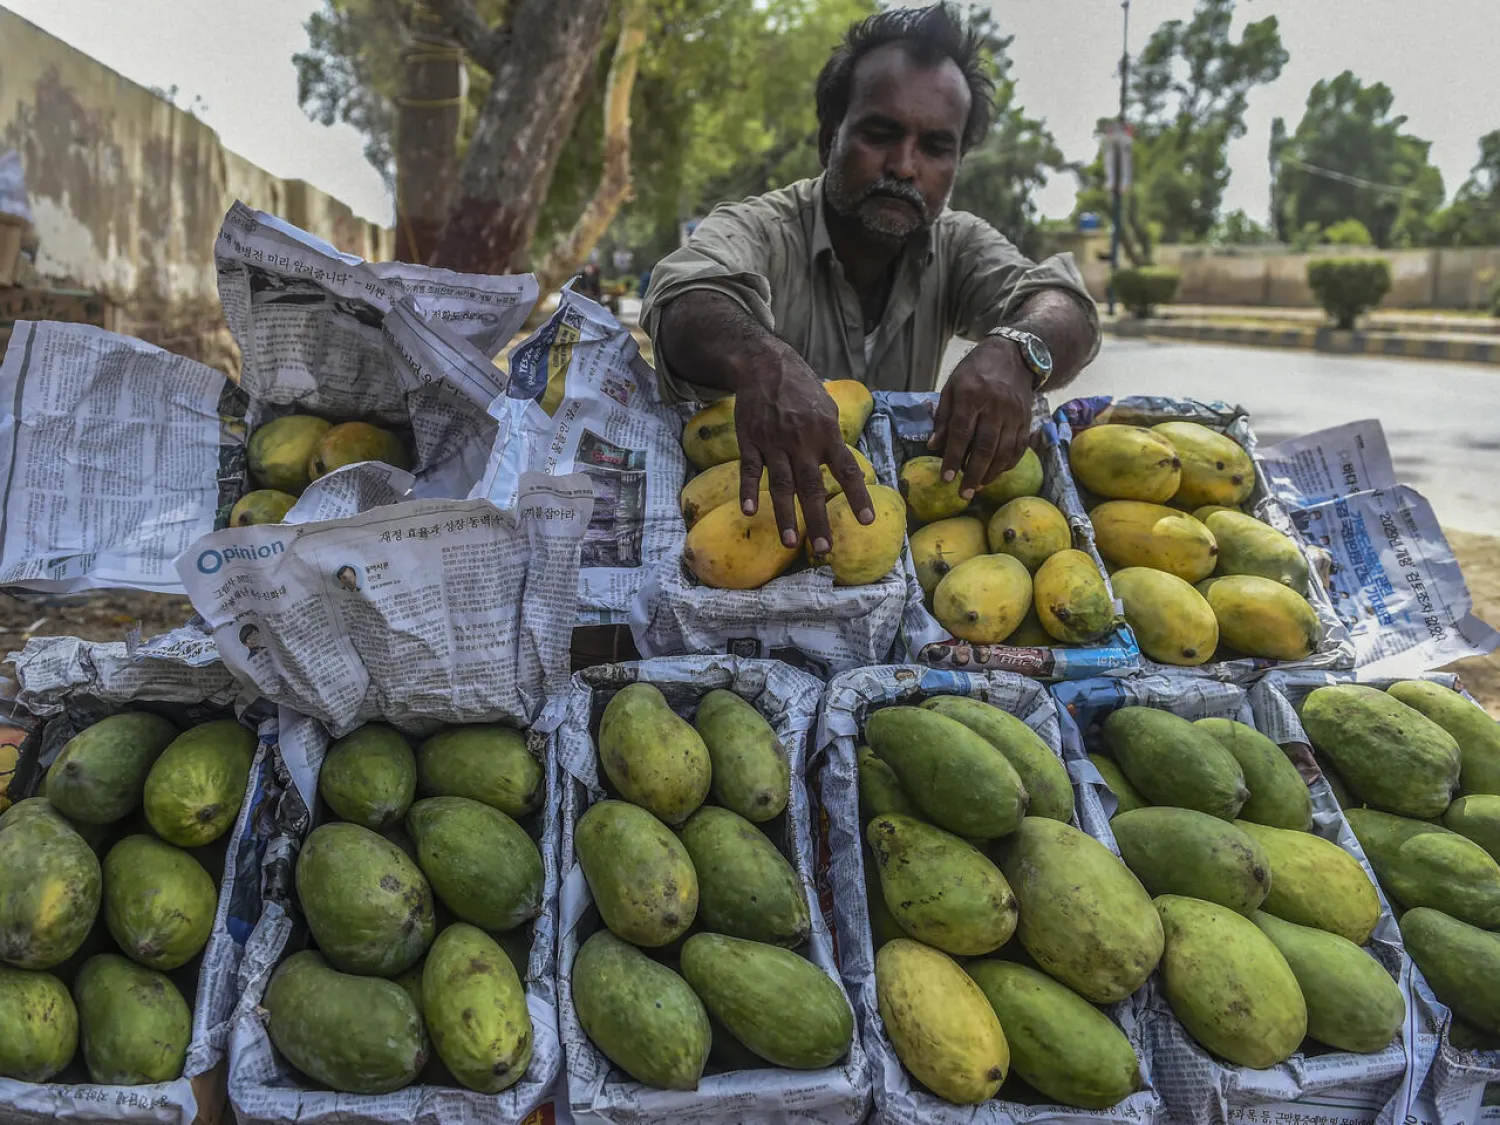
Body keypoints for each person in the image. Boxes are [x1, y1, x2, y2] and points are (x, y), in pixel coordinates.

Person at [643, 3, 1099, 560]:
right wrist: (762, 361)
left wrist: (1017, 351)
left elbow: (1064, 306)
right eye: (880, 134)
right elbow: (686, 298)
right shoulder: (763, 226)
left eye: (936, 147)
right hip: (752, 523)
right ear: (830, 137)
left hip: (885, 537)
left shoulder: (957, 243)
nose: (906, 166)